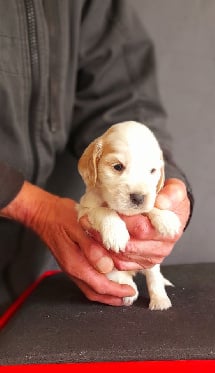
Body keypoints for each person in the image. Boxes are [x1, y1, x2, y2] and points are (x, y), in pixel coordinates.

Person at [0, 0, 193, 312]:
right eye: (117, 166)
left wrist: (169, 185)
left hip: (24, 270)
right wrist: (30, 205)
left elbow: (122, 97)